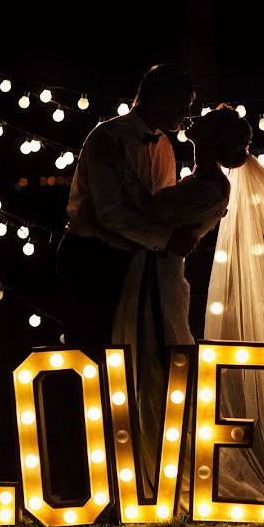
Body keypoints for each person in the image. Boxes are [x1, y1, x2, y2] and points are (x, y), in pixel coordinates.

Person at [111, 103, 252, 499]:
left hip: (160, 280)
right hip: (153, 274)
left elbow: (150, 208)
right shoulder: (201, 180)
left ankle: (162, 471)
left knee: (157, 367)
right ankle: (149, 466)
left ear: (212, 138)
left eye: (205, 120)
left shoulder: (207, 187)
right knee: (149, 364)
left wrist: (119, 164)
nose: (194, 118)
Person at [57, 63, 198, 350]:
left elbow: (159, 207)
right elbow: (110, 213)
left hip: (138, 260)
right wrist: (166, 241)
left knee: (130, 351)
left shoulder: (165, 147)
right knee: (92, 349)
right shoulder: (107, 137)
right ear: (157, 97)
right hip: (91, 257)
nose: (187, 112)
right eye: (183, 103)